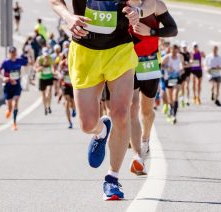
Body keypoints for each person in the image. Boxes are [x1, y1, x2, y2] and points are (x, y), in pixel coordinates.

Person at [50, 0, 156, 201]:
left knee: (121, 113)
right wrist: (68, 17)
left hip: (119, 50)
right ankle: (101, 131)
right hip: (84, 53)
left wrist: (138, 11)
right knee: (87, 124)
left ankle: (112, 178)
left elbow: (153, 3)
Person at [129, 0, 178, 175]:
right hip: (128, 61)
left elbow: (173, 29)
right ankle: (138, 156)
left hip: (149, 62)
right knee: (132, 106)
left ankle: (145, 140)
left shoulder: (155, 5)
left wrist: (151, 32)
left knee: (146, 111)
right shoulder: (121, 4)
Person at [0, 47, 28, 131]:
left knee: (15, 103)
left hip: (16, 86)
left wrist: (27, 56)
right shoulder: (5, 62)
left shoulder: (19, 60)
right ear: (9, 53)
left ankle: (14, 123)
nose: (13, 54)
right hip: (8, 86)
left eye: (14, 53)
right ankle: (9, 110)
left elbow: (28, 63)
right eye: (11, 53)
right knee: (10, 106)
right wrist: (3, 77)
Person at [162, 45, 184, 124]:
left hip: (176, 79)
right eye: (172, 51)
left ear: (177, 50)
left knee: (175, 96)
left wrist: (181, 69)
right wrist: (167, 67)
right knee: (170, 99)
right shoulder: (167, 57)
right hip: (168, 79)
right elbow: (160, 65)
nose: (174, 53)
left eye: (175, 51)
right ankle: (171, 109)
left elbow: (182, 64)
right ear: (170, 50)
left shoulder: (180, 57)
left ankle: (174, 115)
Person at [34, 49, 55, 115]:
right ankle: (45, 108)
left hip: (49, 77)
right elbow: (35, 68)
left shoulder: (50, 58)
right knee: (43, 95)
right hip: (42, 78)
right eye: (45, 55)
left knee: (48, 93)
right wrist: (40, 68)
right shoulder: (39, 59)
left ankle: (49, 106)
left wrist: (53, 71)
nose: (46, 57)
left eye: (47, 55)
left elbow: (53, 67)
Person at [58, 52, 76, 129]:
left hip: (73, 85)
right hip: (65, 85)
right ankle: (70, 122)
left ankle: (74, 109)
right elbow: (59, 73)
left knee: (72, 102)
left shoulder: (75, 62)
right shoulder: (62, 64)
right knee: (67, 102)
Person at [179, 41, 192, 108]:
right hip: (182, 72)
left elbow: (191, 63)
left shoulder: (189, 54)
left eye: (185, 47)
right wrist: (185, 65)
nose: (184, 48)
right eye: (183, 47)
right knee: (182, 86)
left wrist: (185, 65)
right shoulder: (180, 54)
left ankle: (187, 99)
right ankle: (182, 99)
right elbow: (181, 64)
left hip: (188, 72)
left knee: (187, 86)